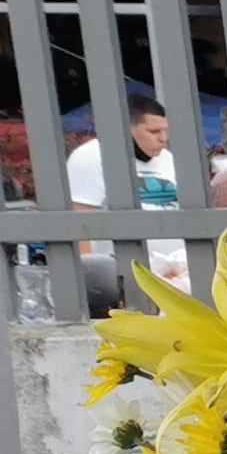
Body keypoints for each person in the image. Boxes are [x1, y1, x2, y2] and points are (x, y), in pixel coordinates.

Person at [66, 98, 181, 305]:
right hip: (121, 277)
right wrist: (87, 281)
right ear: (127, 129)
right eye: (154, 132)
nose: (163, 139)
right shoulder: (90, 157)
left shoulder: (167, 158)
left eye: (165, 130)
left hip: (174, 275)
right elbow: (81, 222)